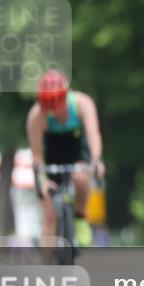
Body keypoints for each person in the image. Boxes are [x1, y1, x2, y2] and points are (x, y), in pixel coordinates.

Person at [26, 70, 105, 247]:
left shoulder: (82, 103)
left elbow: (93, 135)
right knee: (48, 212)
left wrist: (96, 160)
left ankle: (80, 216)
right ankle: (46, 269)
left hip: (75, 151)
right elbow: (37, 155)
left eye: (56, 103)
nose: (53, 111)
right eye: (48, 105)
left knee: (81, 178)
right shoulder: (36, 117)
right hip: (50, 155)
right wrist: (43, 180)